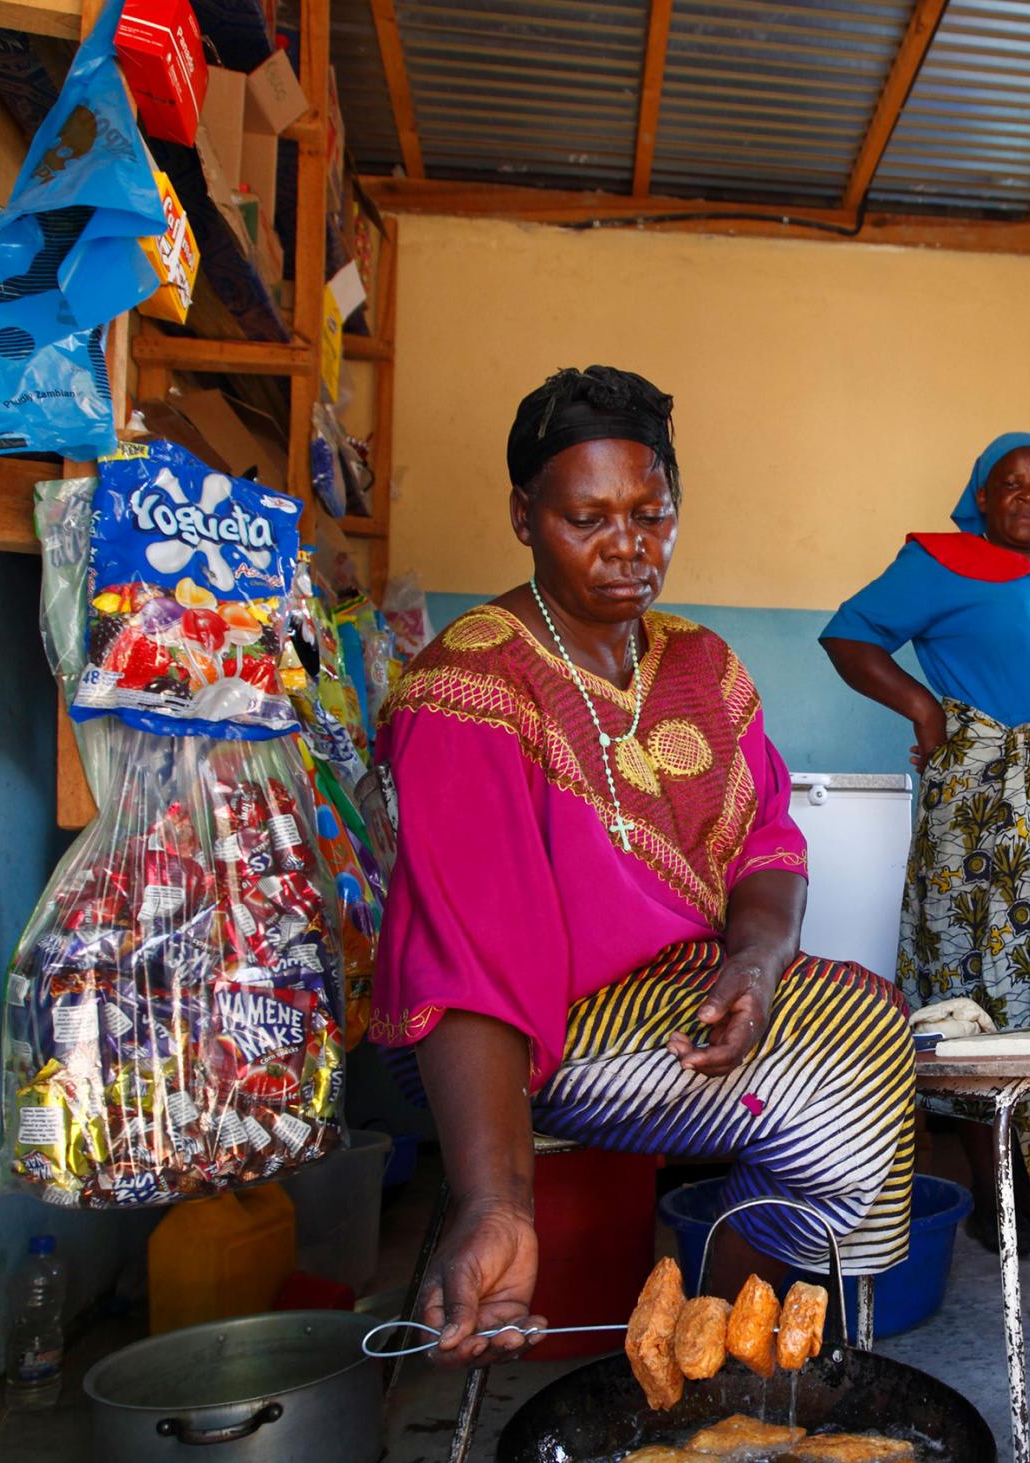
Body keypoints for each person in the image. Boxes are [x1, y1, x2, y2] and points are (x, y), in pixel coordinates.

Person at [371, 366, 916, 1368]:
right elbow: (467, 951)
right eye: (587, 518)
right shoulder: (470, 683)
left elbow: (768, 841)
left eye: (650, 514)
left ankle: (705, 1331)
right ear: (524, 517)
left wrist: (754, 962)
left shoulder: (701, 663)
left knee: (873, 1018)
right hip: (499, 1024)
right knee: (849, 1073)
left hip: (670, 991)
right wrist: (497, 1197)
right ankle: (714, 1348)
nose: (627, 545)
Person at [820, 433, 1030, 1254]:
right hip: (987, 819)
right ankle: (995, 1196)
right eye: (1013, 483)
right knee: (983, 995)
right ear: (980, 495)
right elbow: (848, 635)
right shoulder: (940, 564)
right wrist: (924, 709)